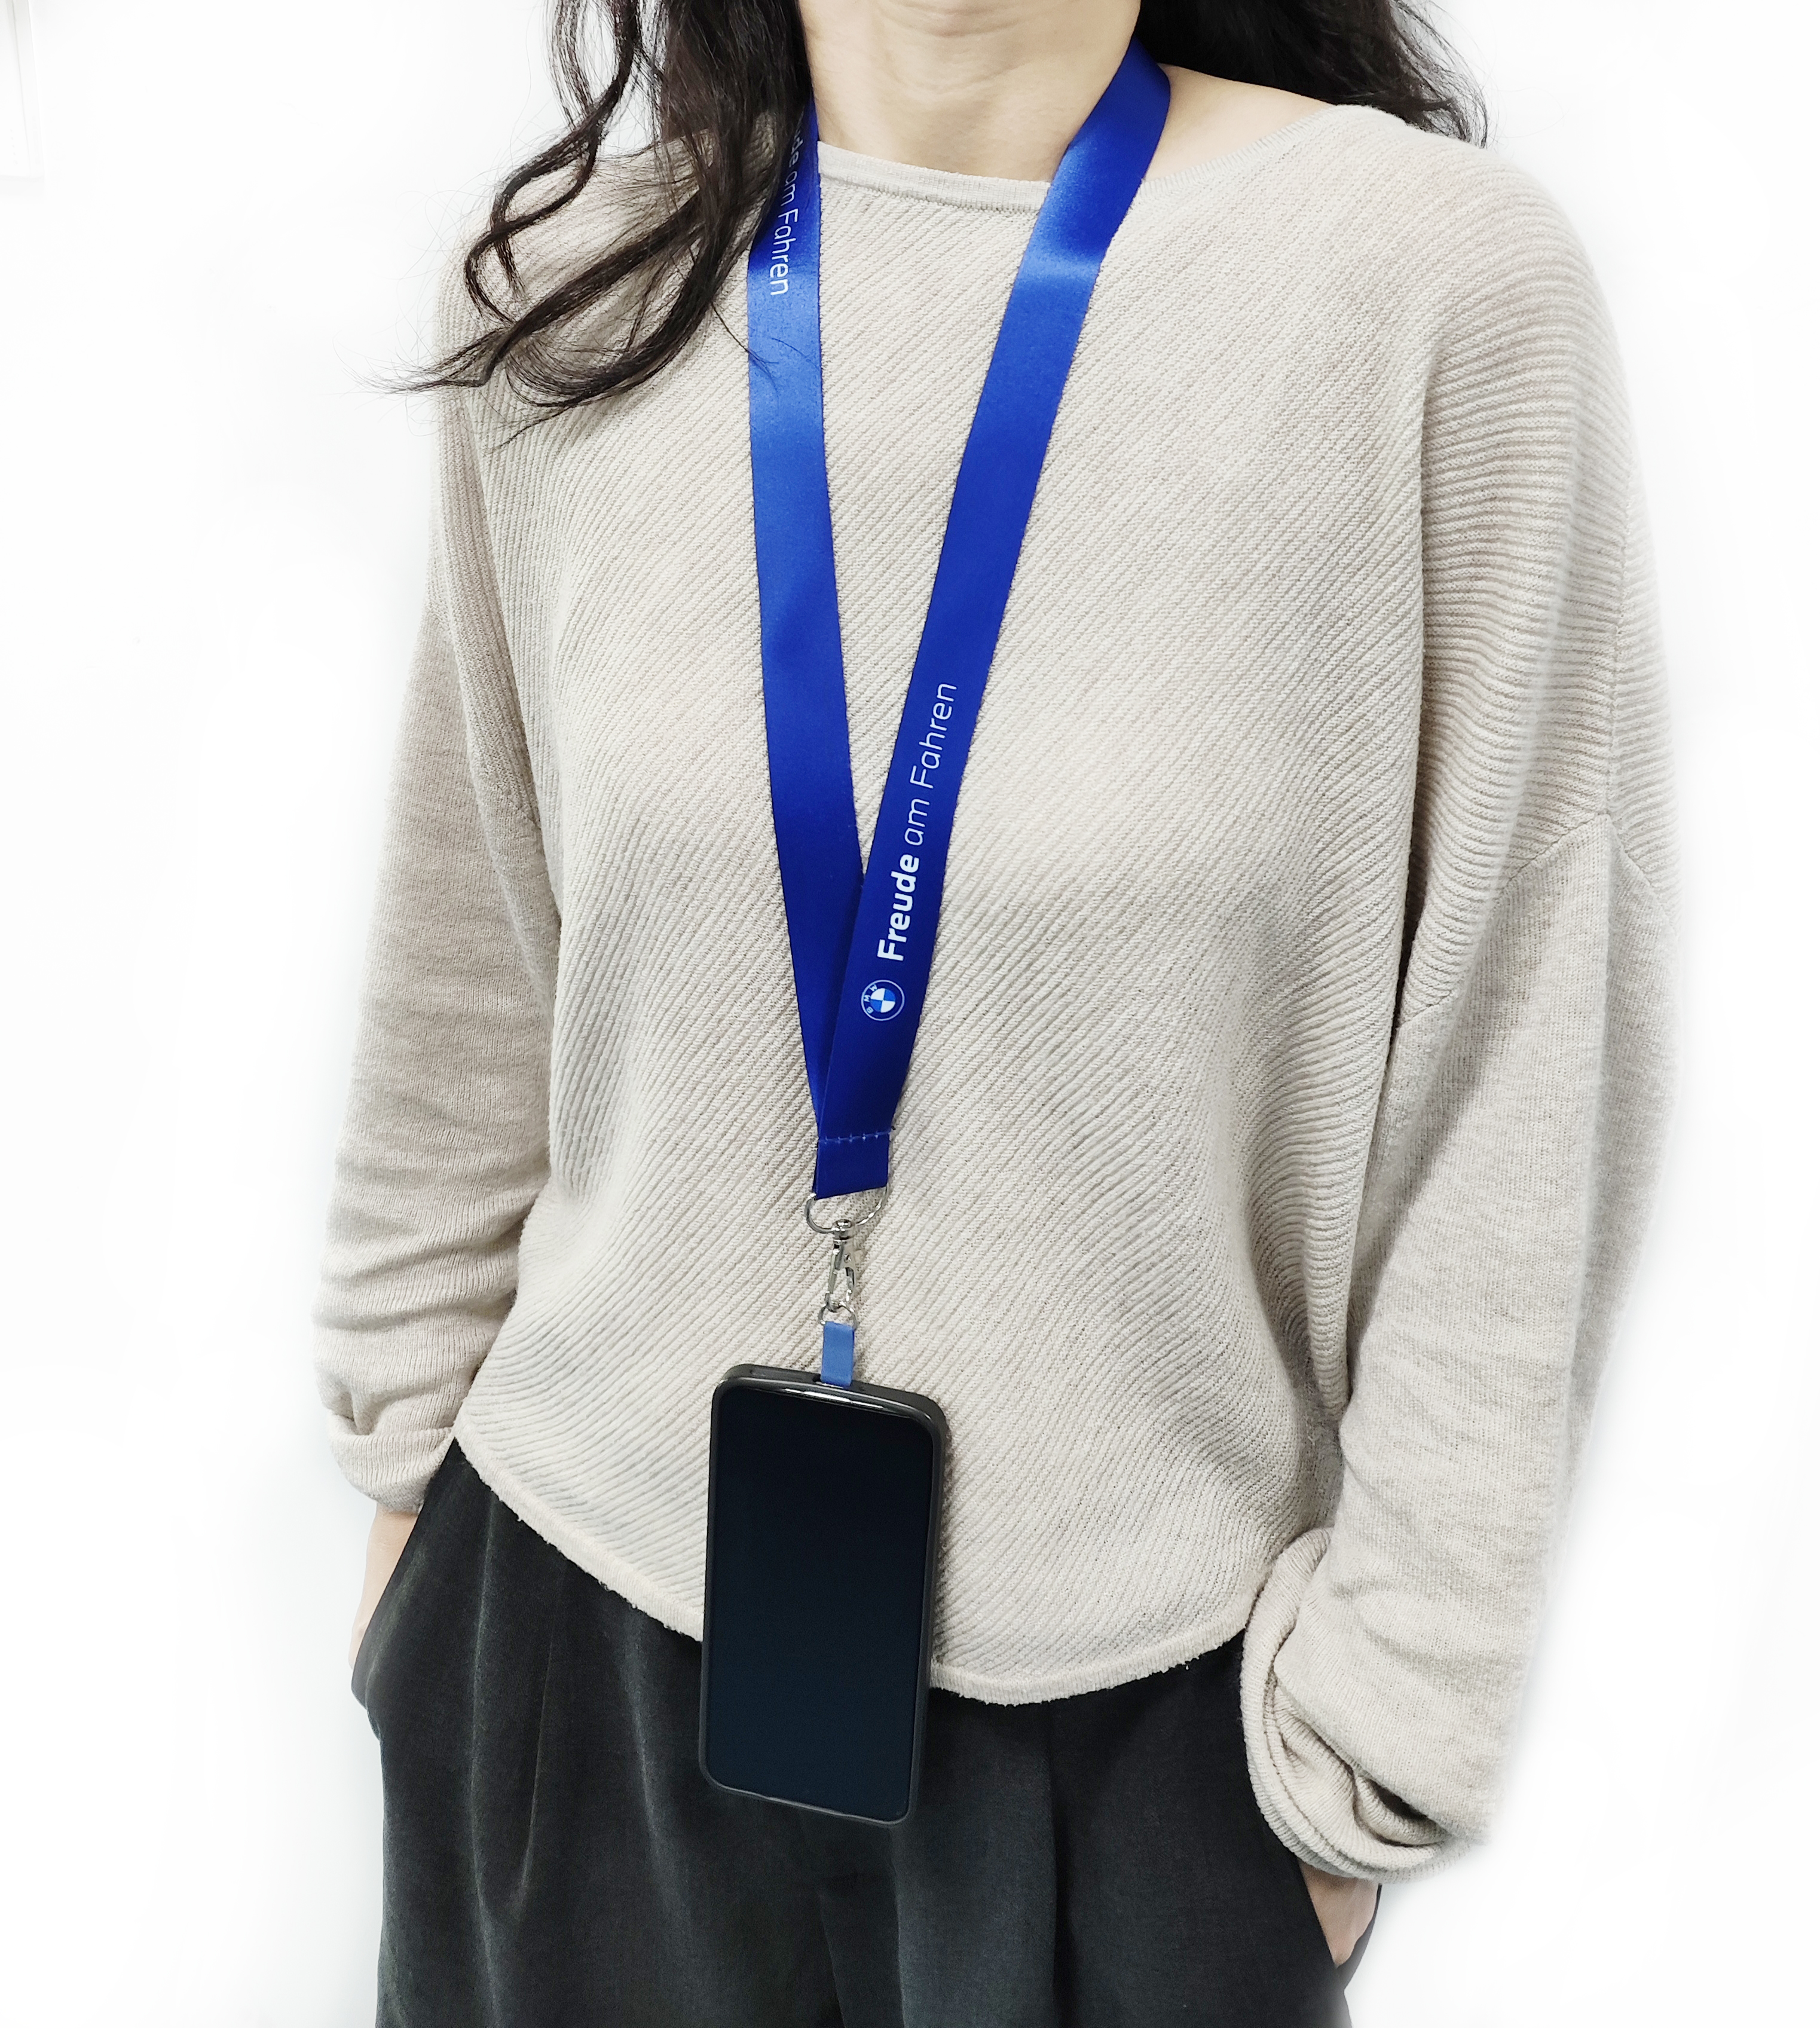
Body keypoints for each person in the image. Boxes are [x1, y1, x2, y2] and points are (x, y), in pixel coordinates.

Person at [318, 0, 1674, 2021]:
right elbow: (474, 929)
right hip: (575, 1630)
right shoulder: (577, 288)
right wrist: (405, 1510)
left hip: (1144, 1732)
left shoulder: (1426, 291)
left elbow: (1521, 1041)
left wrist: (1376, 1742)